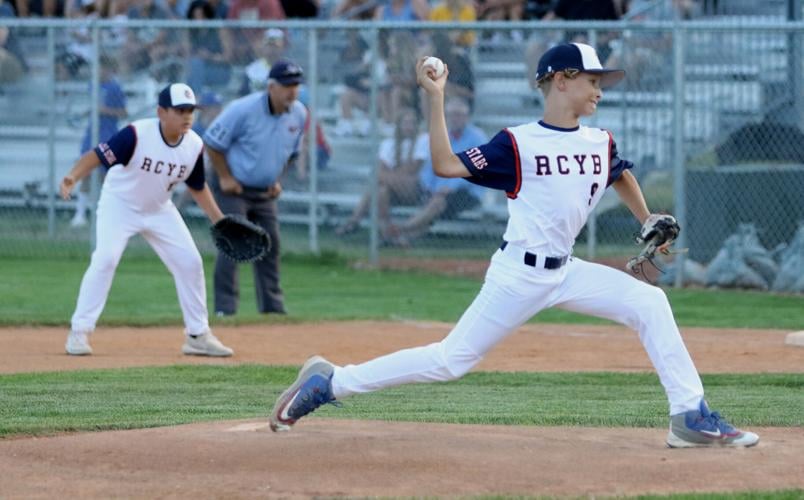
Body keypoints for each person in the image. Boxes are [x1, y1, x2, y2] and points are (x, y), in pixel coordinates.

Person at [268, 43, 761, 449]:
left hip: (566, 271)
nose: (598, 89)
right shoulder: (518, 142)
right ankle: (331, 381)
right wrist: (435, 98)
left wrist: (647, 216)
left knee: (650, 302)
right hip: (519, 275)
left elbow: (619, 170)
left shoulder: (598, 140)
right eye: (592, 80)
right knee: (449, 361)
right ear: (561, 80)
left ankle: (688, 416)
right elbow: (444, 165)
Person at [60, 83, 234, 357]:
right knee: (105, 260)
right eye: (180, 110)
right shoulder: (136, 134)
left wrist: (219, 221)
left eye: (190, 110)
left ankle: (197, 335)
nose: (187, 115)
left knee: (190, 262)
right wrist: (73, 176)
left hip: (159, 209)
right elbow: (97, 155)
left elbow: (198, 186)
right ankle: (79, 332)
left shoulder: (194, 145)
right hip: (120, 205)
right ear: (161, 112)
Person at [203, 59, 306, 316]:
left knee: (271, 244)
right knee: (233, 244)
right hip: (234, 187)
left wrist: (276, 179)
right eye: (286, 85)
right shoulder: (243, 109)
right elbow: (213, 143)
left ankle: (272, 310)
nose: (292, 91)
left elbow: (291, 152)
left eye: (296, 85)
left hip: (264, 191)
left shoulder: (299, 113)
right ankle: (225, 310)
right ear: (271, 87)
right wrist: (225, 177)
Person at [384, 97, 486, 246]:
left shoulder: (478, 138)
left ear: (466, 117)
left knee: (437, 202)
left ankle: (401, 229)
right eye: (451, 115)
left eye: (458, 115)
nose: (454, 119)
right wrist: (429, 187)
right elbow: (430, 167)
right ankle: (404, 238)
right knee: (428, 197)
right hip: (437, 190)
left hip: (467, 191)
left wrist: (450, 188)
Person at [334, 106, 428, 238]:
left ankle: (354, 220)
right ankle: (387, 231)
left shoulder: (422, 141)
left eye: (412, 123)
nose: (409, 126)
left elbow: (413, 170)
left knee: (379, 182)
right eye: (405, 123)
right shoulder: (388, 143)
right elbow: (381, 170)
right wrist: (391, 176)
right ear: (399, 125)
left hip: (413, 189)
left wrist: (388, 175)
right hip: (392, 190)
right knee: (381, 190)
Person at [70, 54, 128, 228]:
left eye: (102, 68)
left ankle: (109, 213)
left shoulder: (115, 88)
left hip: (108, 134)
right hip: (91, 133)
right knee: (85, 171)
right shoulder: (92, 85)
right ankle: (79, 214)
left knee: (106, 175)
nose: (99, 71)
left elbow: (123, 113)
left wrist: (104, 110)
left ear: (110, 70)